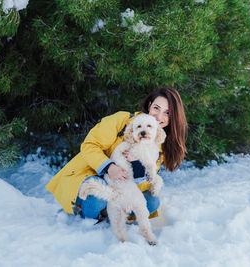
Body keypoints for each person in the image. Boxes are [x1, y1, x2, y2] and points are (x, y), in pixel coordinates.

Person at [45, 87, 187, 220]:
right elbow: (89, 145)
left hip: (122, 185)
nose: (158, 116)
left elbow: (143, 183)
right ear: (149, 106)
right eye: (156, 108)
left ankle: (110, 211)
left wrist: (137, 165)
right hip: (92, 173)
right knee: (96, 196)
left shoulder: (159, 143)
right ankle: (88, 213)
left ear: (173, 117)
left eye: (167, 113)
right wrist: (109, 167)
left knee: (151, 202)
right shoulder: (123, 120)